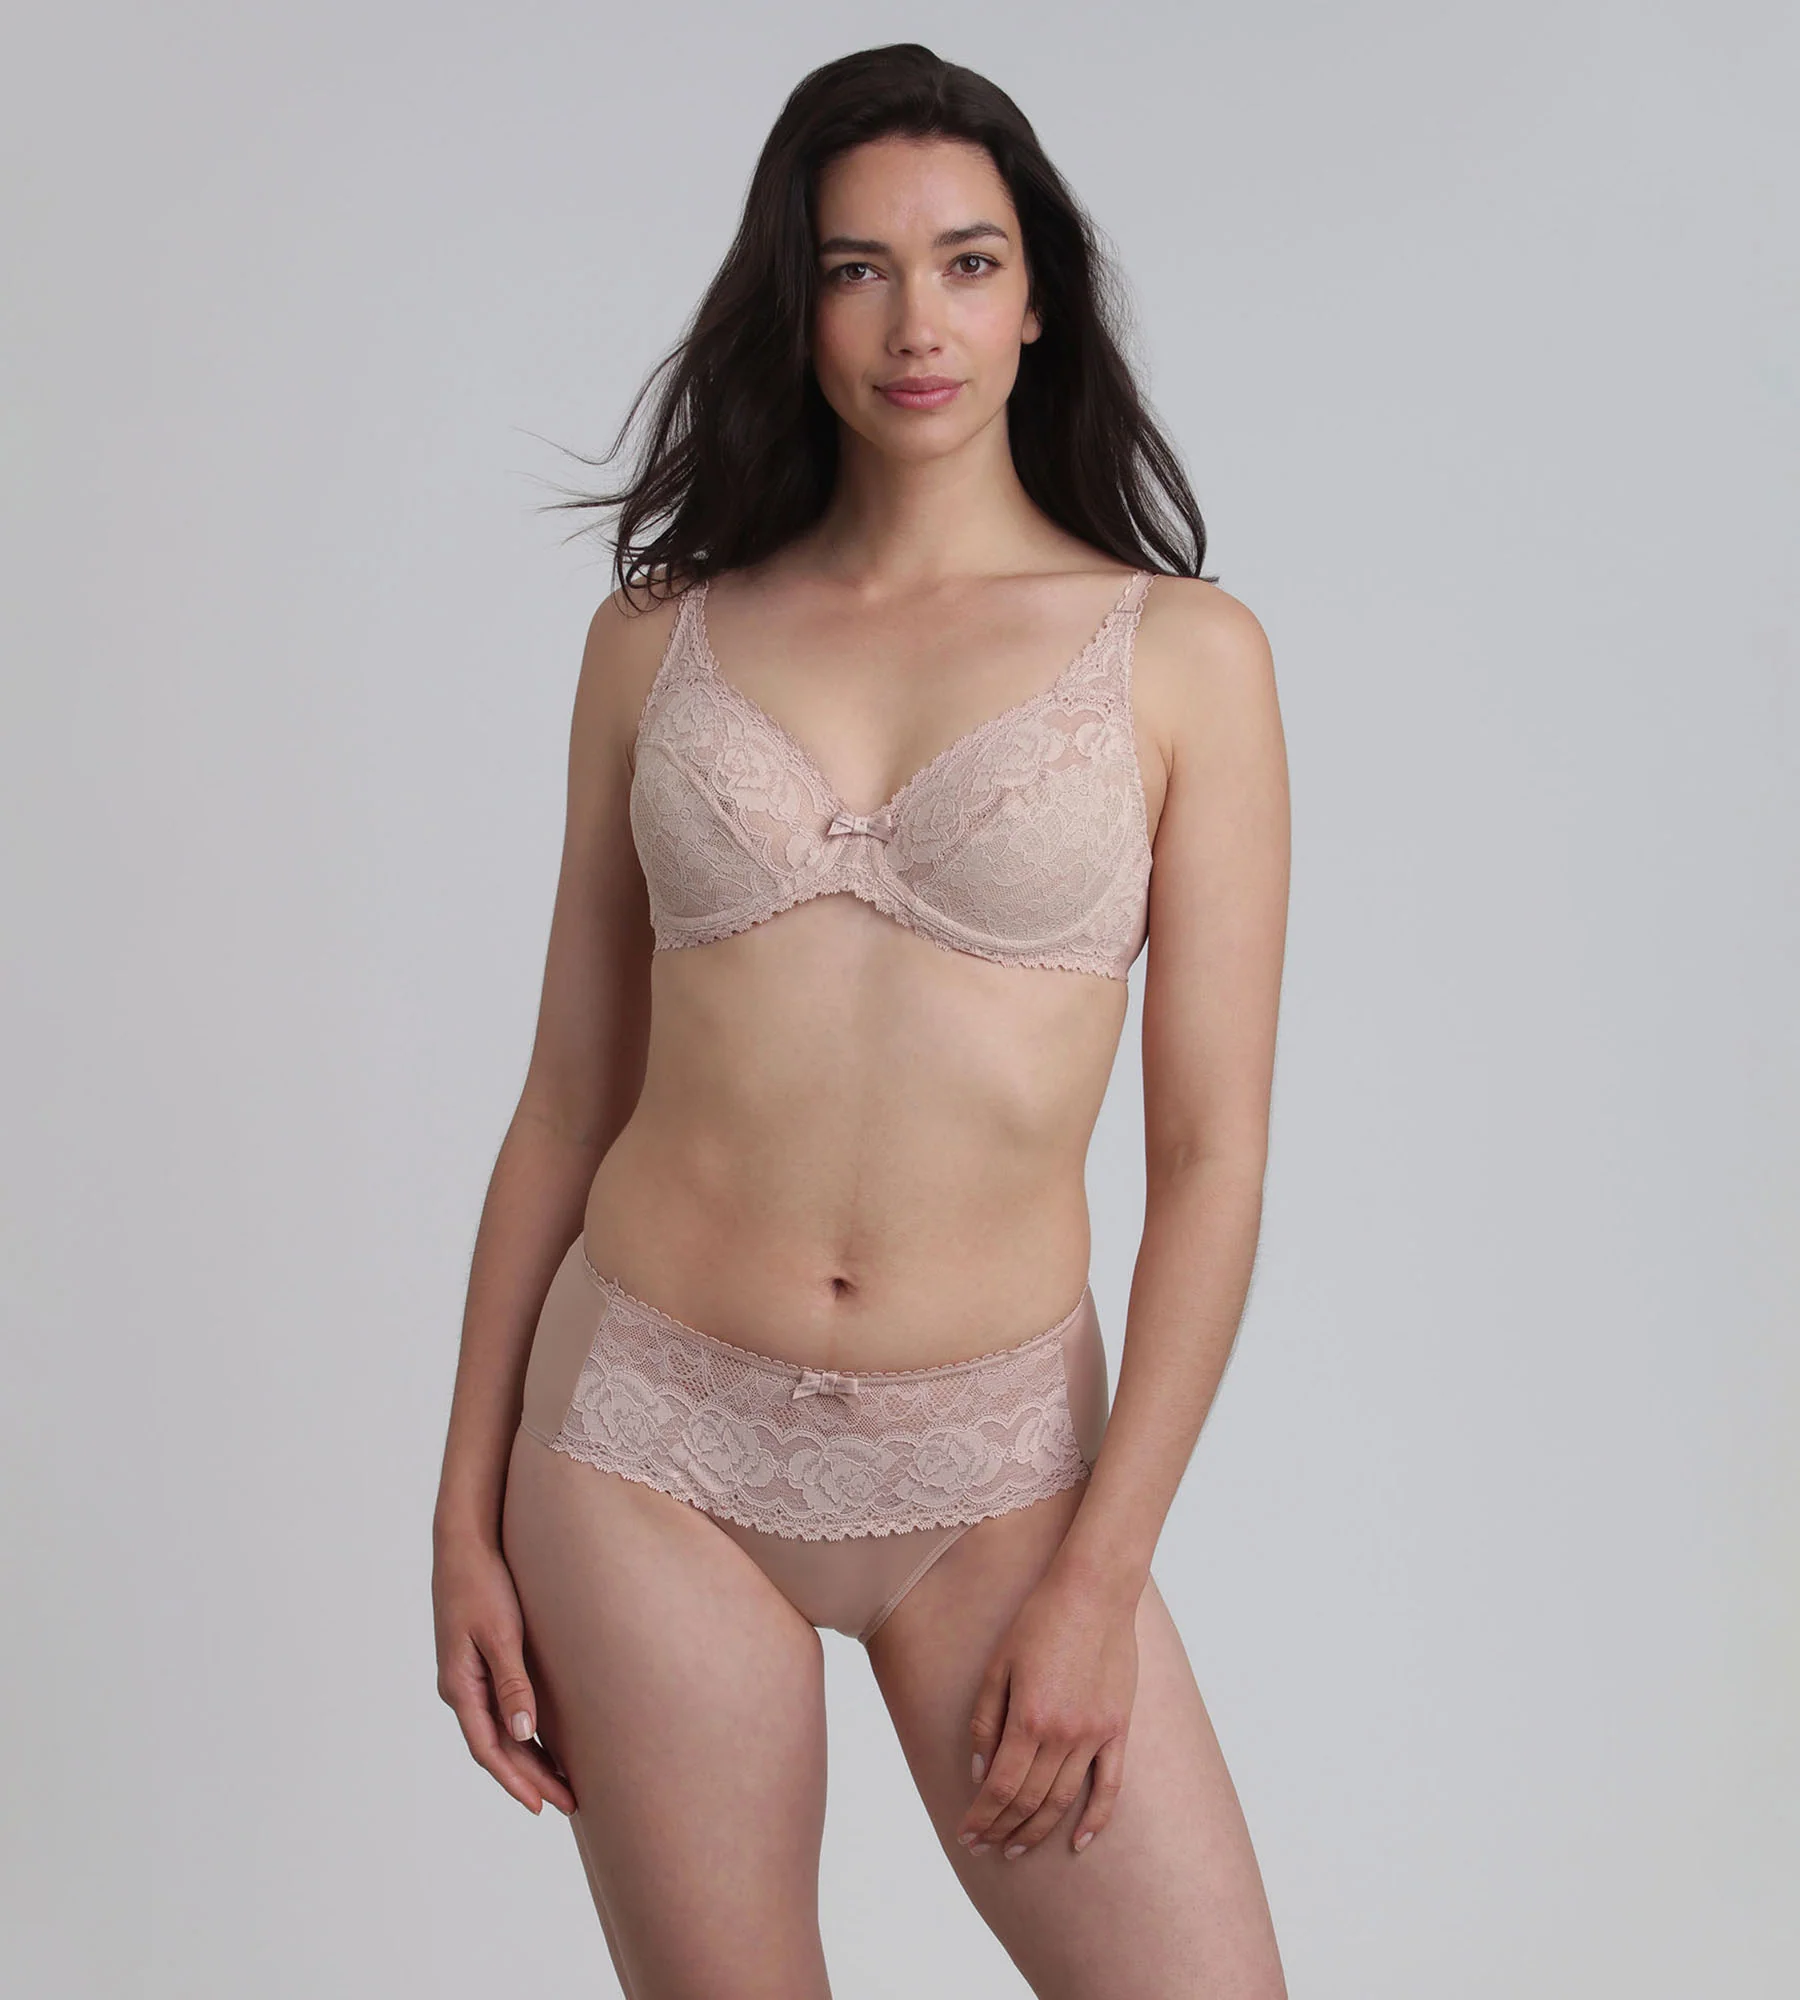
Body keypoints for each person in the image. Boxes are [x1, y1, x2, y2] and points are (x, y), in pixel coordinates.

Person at [431, 41, 1291, 1999]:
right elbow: (564, 1101)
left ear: (1039, 296)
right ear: (794, 300)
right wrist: (461, 1512)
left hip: (1000, 1474)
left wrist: (1103, 1575)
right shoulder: (656, 637)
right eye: (857, 268)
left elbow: (1213, 1160)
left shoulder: (1185, 658)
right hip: (641, 1441)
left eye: (968, 262)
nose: (918, 322)